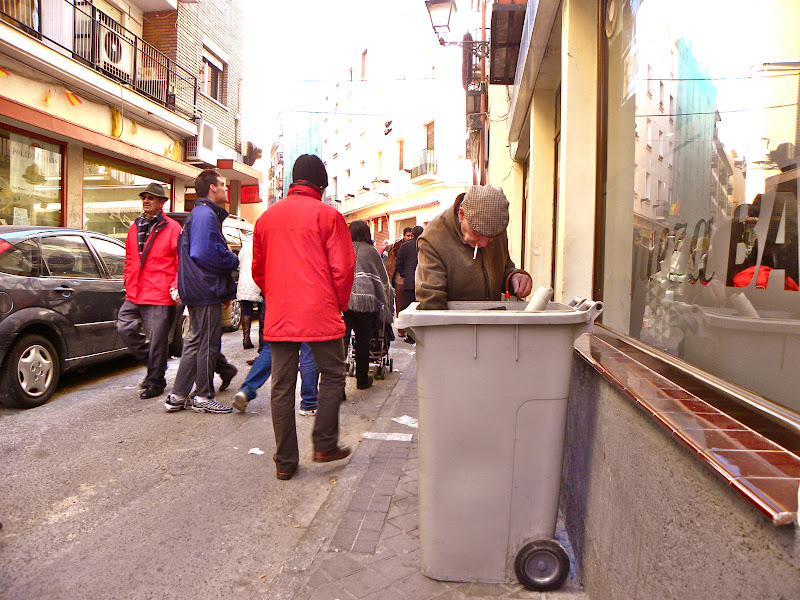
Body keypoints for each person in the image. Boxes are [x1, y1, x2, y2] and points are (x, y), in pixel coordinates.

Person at [253, 154, 355, 480]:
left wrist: (277, 295)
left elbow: (258, 270)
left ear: (293, 182)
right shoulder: (329, 216)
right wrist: (338, 305)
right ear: (321, 185)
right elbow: (343, 269)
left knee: (282, 386)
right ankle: (324, 442)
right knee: (333, 373)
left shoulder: (266, 219)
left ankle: (285, 462)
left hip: (281, 311)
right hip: (319, 309)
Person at [165, 169, 239, 414]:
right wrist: (231, 259)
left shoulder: (199, 213)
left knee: (195, 341)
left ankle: (178, 395)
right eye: (223, 184)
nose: (226, 189)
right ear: (212, 188)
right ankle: (203, 396)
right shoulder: (205, 214)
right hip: (205, 287)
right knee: (207, 343)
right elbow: (204, 253)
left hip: (197, 286)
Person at [416, 185, 533, 309]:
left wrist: (514, 276)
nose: (484, 244)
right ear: (461, 215)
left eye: (490, 238)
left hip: (495, 318)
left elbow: (504, 268)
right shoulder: (433, 239)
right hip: (455, 319)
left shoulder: (496, 228)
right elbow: (431, 299)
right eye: (477, 233)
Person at [117, 182, 181, 399]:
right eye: (144, 197)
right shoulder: (135, 227)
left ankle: (155, 381)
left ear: (162, 202)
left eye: (151, 197)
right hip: (135, 290)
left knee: (158, 341)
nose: (146, 200)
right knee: (125, 327)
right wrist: (127, 278)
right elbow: (129, 257)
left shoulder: (172, 228)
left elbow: (180, 261)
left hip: (159, 293)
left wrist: (175, 284)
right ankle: (155, 364)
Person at [344, 220, 394, 390]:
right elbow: (382, 279)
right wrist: (387, 297)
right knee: (363, 342)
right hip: (367, 304)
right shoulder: (371, 251)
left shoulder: (343, 249)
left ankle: (338, 387)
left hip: (344, 302)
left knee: (341, 344)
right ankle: (362, 380)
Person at [394, 224, 423, 341]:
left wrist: (403, 273)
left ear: (413, 235)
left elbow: (398, 262)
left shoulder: (405, 246)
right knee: (421, 309)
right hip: (423, 282)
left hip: (409, 282)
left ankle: (410, 336)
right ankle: (420, 334)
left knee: (409, 308)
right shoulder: (425, 245)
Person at [236, 236, 262, 350]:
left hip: (244, 282)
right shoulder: (259, 245)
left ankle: (246, 338)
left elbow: (238, 263)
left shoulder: (245, 246)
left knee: (246, 310)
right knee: (262, 311)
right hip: (257, 282)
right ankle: (262, 341)